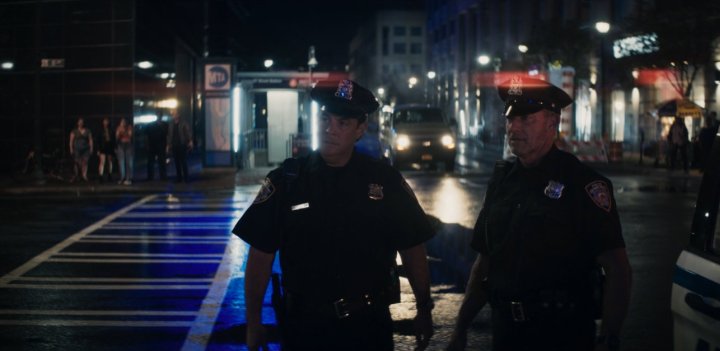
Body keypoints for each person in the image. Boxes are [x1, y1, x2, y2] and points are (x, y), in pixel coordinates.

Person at [233, 79, 435, 351]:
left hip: (368, 328)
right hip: (304, 328)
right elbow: (260, 255)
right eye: (325, 119)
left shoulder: (383, 181)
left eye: (343, 123)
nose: (330, 129)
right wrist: (254, 321)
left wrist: (424, 308)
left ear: (360, 129)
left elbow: (412, 247)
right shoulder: (288, 181)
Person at [447, 76, 632, 351]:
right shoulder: (502, 181)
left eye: (526, 120)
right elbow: (485, 261)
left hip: (562, 333)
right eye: (510, 119)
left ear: (552, 124)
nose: (514, 127)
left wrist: (609, 337)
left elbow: (617, 269)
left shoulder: (582, 184)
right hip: (506, 332)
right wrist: (460, 327)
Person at [167, 109, 193, 183]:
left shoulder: (183, 123)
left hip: (182, 144)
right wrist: (168, 144)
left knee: (183, 161)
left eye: (175, 114)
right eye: (173, 114)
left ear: (178, 115)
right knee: (177, 162)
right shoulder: (171, 124)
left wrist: (190, 141)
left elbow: (188, 132)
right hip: (174, 145)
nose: (174, 116)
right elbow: (169, 134)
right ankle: (179, 178)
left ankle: (186, 177)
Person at [69, 117, 93, 182]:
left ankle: (84, 175)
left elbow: (90, 140)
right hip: (77, 149)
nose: (81, 123)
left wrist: (91, 148)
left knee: (85, 162)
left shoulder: (87, 131)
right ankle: (76, 175)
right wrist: (71, 149)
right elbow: (71, 141)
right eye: (79, 122)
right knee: (77, 162)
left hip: (86, 149)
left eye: (82, 122)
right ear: (77, 123)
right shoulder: (74, 131)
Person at [147, 112, 168, 180]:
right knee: (160, 161)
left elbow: (148, 135)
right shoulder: (165, 124)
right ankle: (162, 176)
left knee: (152, 161)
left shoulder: (151, 125)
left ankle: (151, 176)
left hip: (154, 144)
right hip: (159, 144)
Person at [96, 117, 116, 183]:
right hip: (102, 147)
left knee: (110, 161)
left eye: (107, 121)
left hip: (110, 147)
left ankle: (109, 175)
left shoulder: (111, 130)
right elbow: (98, 140)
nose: (106, 123)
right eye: (104, 121)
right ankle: (101, 176)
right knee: (102, 162)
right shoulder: (100, 130)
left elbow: (113, 139)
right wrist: (98, 149)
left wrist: (114, 148)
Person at [115, 117, 134, 185]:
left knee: (128, 162)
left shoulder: (129, 127)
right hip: (121, 145)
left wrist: (124, 131)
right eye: (122, 122)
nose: (123, 123)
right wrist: (119, 133)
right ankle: (122, 177)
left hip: (128, 145)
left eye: (124, 122)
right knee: (121, 162)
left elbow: (130, 135)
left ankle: (128, 178)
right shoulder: (119, 128)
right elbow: (117, 137)